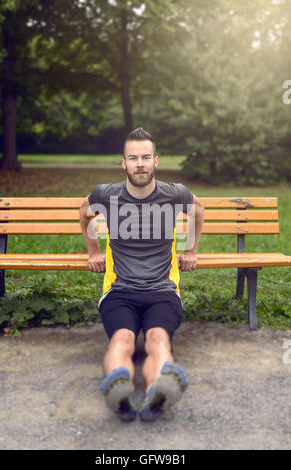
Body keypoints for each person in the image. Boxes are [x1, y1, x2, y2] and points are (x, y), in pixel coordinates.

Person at [80, 128, 205, 422]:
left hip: (162, 290)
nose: (140, 163)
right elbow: (85, 211)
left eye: (145, 157)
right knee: (122, 339)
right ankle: (118, 388)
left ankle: (158, 392)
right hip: (119, 291)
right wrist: (93, 252)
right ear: (123, 163)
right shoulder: (106, 194)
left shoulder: (175, 194)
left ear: (156, 161)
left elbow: (198, 210)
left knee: (157, 339)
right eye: (133, 158)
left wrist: (191, 250)